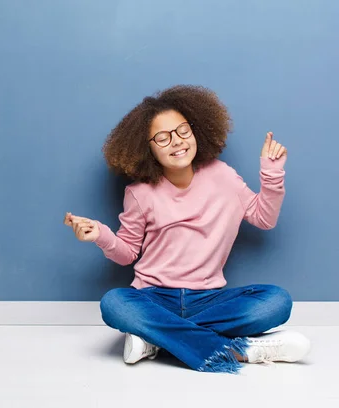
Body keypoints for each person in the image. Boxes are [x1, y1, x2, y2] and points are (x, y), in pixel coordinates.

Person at [63, 85, 310, 374]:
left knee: (276, 302)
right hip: (153, 298)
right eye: (162, 137)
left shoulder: (223, 176)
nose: (176, 142)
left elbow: (263, 218)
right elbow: (127, 253)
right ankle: (241, 351)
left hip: (209, 300)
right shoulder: (139, 193)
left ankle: (156, 340)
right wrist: (101, 235)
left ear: (195, 132)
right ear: (149, 148)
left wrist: (271, 175)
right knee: (114, 304)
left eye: (182, 131)